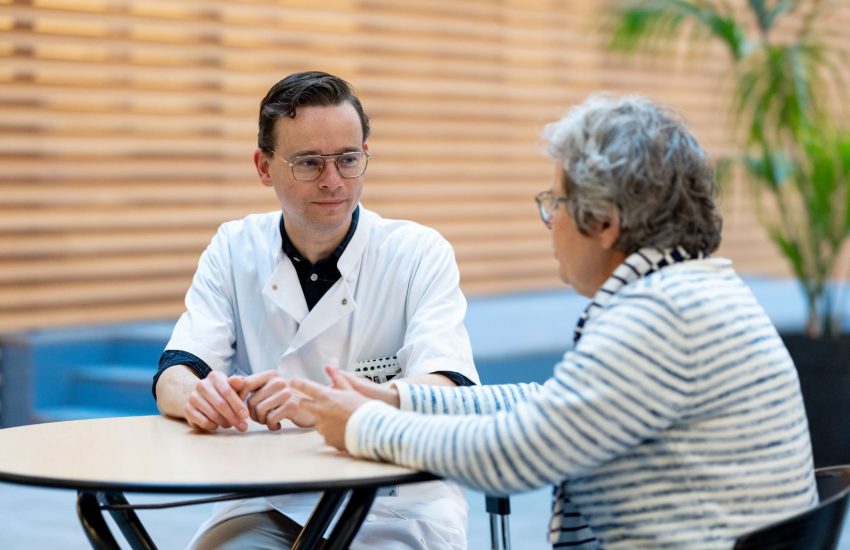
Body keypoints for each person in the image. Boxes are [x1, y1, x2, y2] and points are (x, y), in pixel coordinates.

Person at [291, 94, 819, 549]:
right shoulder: (694, 290)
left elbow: (516, 455)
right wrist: (398, 398)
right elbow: (555, 406)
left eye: (557, 203)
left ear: (607, 223)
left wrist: (360, 426)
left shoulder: (664, 316)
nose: (550, 223)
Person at [151, 70, 480, 550]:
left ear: (366, 155)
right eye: (308, 162)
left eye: (348, 159)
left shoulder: (418, 252)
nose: (333, 181)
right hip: (269, 496)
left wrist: (327, 404)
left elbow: (449, 387)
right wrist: (197, 396)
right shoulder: (233, 247)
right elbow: (177, 370)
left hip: (393, 503)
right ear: (264, 167)